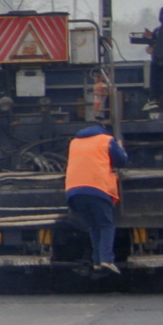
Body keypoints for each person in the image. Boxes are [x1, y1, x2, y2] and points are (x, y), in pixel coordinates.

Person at [64, 120, 132, 282]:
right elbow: (121, 162)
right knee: (106, 225)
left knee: (93, 226)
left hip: (74, 190)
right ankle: (107, 260)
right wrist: (121, 148)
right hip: (97, 188)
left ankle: (97, 262)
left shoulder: (74, 142)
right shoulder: (106, 140)